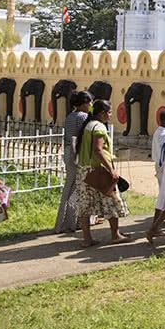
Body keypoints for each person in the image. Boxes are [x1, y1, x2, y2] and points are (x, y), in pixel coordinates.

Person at [74, 100, 129, 248]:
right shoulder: (99, 127)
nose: (111, 115)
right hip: (98, 170)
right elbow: (98, 150)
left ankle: (87, 238)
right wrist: (111, 170)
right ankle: (115, 234)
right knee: (111, 200)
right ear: (102, 113)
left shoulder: (88, 126)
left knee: (85, 205)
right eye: (110, 112)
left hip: (84, 171)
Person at [54, 90, 92, 234]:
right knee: (78, 187)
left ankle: (66, 220)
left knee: (70, 186)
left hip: (69, 151)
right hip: (78, 153)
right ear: (83, 103)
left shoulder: (70, 116)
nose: (90, 105)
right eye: (88, 102)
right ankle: (71, 221)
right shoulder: (83, 117)